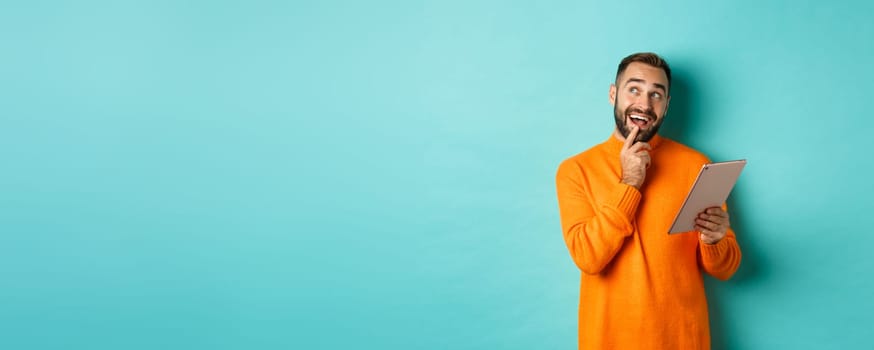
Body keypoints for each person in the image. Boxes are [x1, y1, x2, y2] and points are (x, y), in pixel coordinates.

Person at [554, 52, 742, 349]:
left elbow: (726, 267)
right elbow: (589, 258)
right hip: (609, 340)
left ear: (666, 106)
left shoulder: (697, 166)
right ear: (613, 94)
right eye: (634, 89)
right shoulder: (576, 170)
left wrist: (714, 239)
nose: (644, 103)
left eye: (656, 94)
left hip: (683, 341)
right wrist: (630, 182)